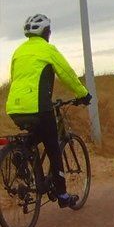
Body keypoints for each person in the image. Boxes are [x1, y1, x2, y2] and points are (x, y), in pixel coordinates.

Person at [5, 14, 92, 208]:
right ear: (46, 32)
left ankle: (21, 153)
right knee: (53, 146)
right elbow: (67, 73)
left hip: (14, 106)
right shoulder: (48, 50)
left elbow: (16, 78)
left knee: (36, 136)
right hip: (38, 106)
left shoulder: (18, 51)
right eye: (49, 31)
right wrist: (83, 94)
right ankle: (62, 195)